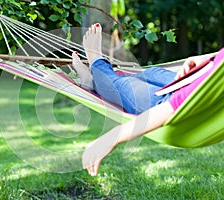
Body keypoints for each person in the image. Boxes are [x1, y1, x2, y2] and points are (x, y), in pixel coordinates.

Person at [71, 23, 223, 176]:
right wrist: (209, 58)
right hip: (196, 80)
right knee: (151, 73)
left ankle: (95, 63)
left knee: (122, 85)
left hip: (184, 104)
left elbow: (176, 105)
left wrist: (112, 137)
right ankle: (93, 82)